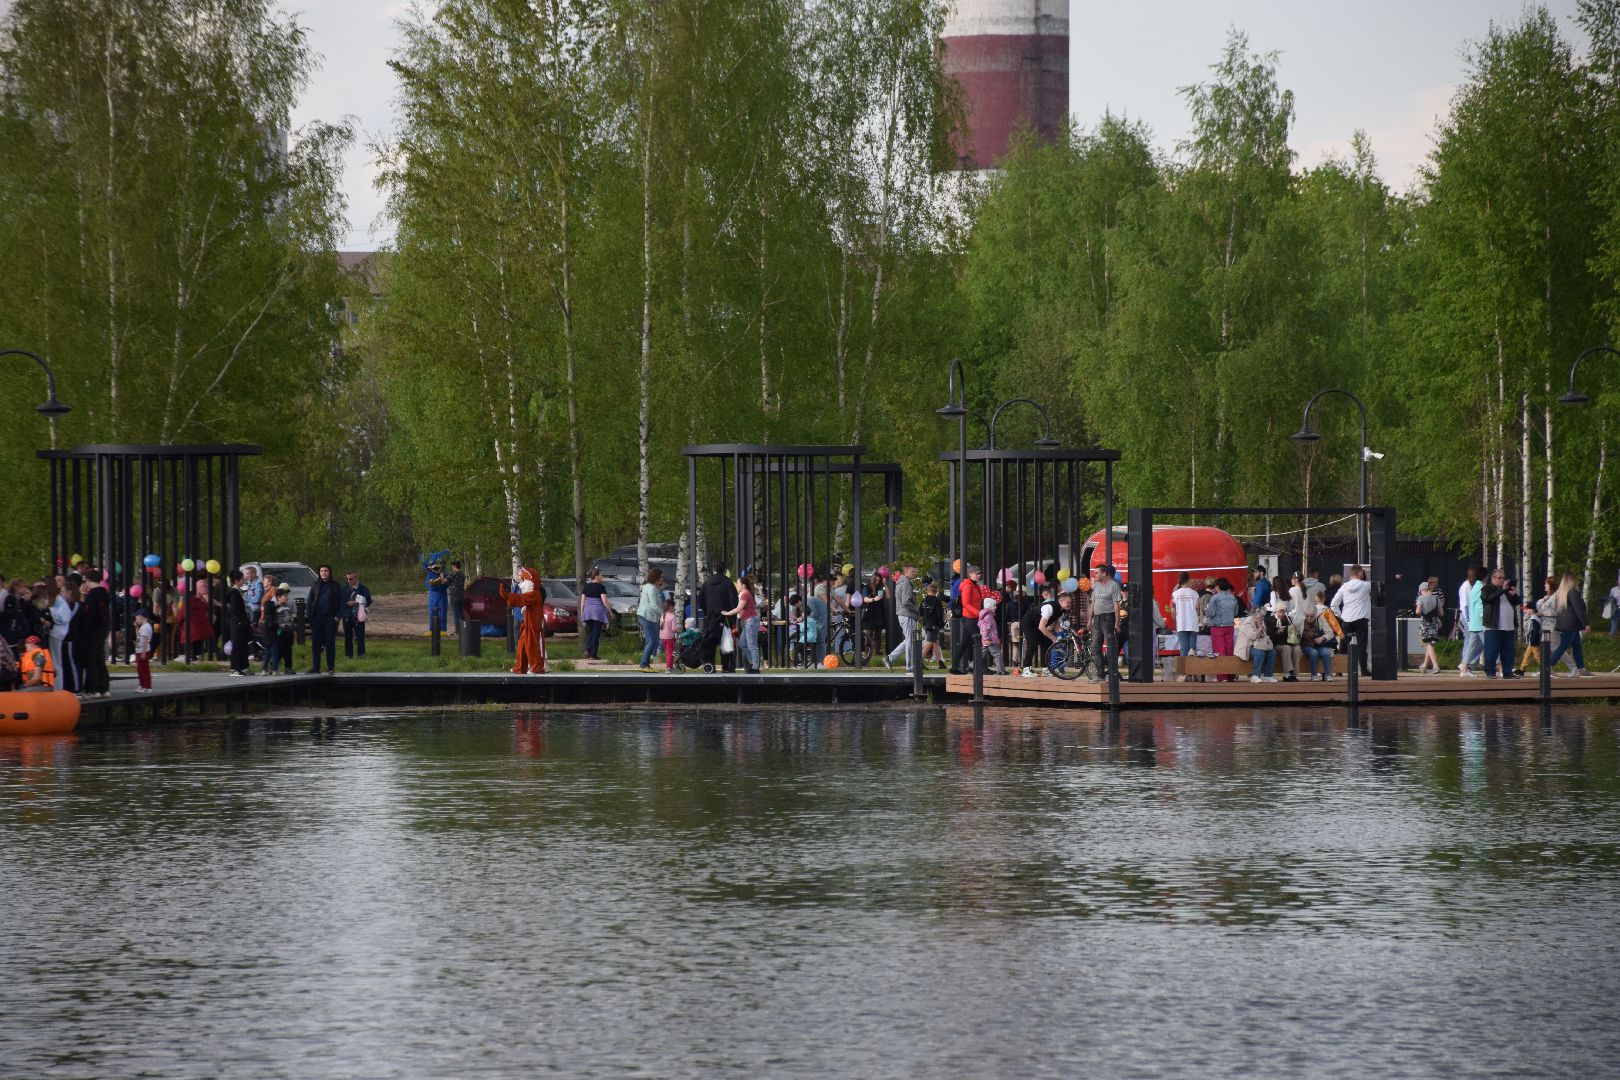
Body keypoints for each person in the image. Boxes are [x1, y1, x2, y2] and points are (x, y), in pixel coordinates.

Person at [500, 567, 547, 674]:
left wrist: (506, 595)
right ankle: (521, 667)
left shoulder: (534, 594)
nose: (521, 585)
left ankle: (537, 667)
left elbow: (520, 599)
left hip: (533, 624)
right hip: (528, 623)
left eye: (524, 581)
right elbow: (522, 599)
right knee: (522, 645)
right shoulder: (533, 593)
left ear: (531, 581)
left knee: (532, 646)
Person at [1545, 570, 1593, 677]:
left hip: (1566, 624)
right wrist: (1585, 624)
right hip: (1572, 624)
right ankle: (1547, 666)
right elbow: (1578, 609)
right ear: (1572, 580)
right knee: (1563, 646)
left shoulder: (1562, 593)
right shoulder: (1573, 592)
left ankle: (1581, 668)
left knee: (1576, 646)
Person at [950, 565, 995, 674]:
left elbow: (978, 602)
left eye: (980, 573)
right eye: (976, 573)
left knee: (965, 643)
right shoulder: (967, 586)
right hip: (969, 618)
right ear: (970, 574)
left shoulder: (976, 586)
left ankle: (955, 668)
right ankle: (981, 667)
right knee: (979, 641)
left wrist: (983, 612)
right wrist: (979, 613)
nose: (979, 575)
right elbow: (966, 603)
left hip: (974, 618)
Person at [1329, 565, 1373, 677]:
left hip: (1346, 619)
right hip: (1361, 619)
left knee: (1343, 646)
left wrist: (1340, 616)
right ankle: (1364, 670)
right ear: (1360, 573)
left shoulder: (1344, 587)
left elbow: (1333, 604)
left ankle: (1339, 670)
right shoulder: (1366, 585)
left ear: (1351, 574)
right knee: (1362, 646)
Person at [1477, 568, 1519, 679]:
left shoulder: (1506, 591)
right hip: (1493, 626)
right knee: (1491, 651)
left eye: (1503, 578)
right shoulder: (1487, 589)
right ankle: (1490, 672)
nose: (1502, 580)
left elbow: (1517, 602)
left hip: (1508, 627)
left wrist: (1513, 594)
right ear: (1493, 578)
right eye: (1499, 578)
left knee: (1508, 651)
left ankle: (1508, 672)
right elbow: (1488, 598)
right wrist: (1502, 590)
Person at [1086, 565, 1122, 683]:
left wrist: (1117, 623)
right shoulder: (1096, 585)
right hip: (1097, 618)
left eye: (1097, 573)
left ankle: (1113, 674)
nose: (1094, 575)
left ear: (1104, 573)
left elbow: (1116, 605)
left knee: (1110, 647)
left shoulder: (1113, 585)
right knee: (1095, 648)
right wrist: (1089, 619)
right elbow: (1093, 603)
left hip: (1108, 618)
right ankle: (1100, 675)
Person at [78, 569, 111, 697]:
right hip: (103, 627)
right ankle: (104, 687)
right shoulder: (104, 593)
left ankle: (93, 688)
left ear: (88, 580)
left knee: (91, 658)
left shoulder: (92, 595)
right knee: (100, 657)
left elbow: (89, 613)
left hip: (93, 629)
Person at [700, 564, 739, 671]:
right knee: (726, 641)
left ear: (715, 570)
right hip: (725, 617)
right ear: (725, 570)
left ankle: (709, 666)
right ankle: (727, 666)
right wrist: (732, 616)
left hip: (710, 618)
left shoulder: (707, 583)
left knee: (710, 642)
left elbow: (701, 600)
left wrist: (707, 612)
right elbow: (733, 600)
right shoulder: (728, 582)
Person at [305, 564, 343, 674]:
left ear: (329, 572)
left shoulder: (336, 586)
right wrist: (310, 616)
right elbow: (309, 601)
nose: (323, 573)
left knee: (330, 644)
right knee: (316, 644)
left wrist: (338, 616)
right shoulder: (315, 585)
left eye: (326, 571)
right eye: (321, 571)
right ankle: (315, 667)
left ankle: (330, 667)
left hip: (330, 618)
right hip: (317, 618)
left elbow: (342, 602)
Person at [723, 574, 762, 674]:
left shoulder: (745, 594)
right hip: (747, 622)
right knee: (742, 643)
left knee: (752, 645)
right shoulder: (743, 594)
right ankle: (753, 662)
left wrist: (727, 613)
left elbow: (739, 608)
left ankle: (755, 666)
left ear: (743, 585)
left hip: (750, 621)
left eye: (738, 584)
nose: (737, 585)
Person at [1204, 577, 1240, 682]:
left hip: (1217, 626)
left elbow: (1211, 613)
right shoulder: (1233, 597)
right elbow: (1235, 612)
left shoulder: (1215, 598)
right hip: (1230, 626)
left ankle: (1222, 676)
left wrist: (1206, 610)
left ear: (1218, 587)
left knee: (1219, 651)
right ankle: (1230, 675)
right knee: (1229, 650)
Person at [1171, 572, 1200, 682]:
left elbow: (1173, 611)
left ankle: (1183, 674)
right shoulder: (1195, 594)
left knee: (1183, 649)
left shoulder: (1175, 594)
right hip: (1193, 624)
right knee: (1192, 649)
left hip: (1181, 624)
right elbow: (1197, 609)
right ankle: (1193, 673)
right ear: (1189, 580)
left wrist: (1176, 622)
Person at [1236, 605, 1276, 683]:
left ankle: (1268, 676)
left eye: (1263, 616)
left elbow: (1264, 636)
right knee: (1259, 653)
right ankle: (1255, 676)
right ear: (1254, 615)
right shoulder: (1247, 622)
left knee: (1272, 653)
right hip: (1246, 646)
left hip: (1259, 645)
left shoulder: (1260, 621)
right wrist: (1260, 628)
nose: (1262, 618)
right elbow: (1252, 636)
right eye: (1260, 616)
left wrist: (1261, 627)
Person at [580, 567, 611, 663]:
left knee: (590, 632)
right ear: (596, 576)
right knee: (596, 633)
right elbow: (604, 601)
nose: (602, 577)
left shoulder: (586, 586)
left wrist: (582, 612)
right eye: (601, 575)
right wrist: (609, 611)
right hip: (598, 613)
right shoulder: (601, 587)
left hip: (588, 612)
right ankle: (593, 654)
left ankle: (587, 650)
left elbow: (582, 601)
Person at [636, 567, 665, 671]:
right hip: (647, 617)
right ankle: (643, 665)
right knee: (651, 641)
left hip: (650, 617)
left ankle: (646, 664)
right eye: (661, 577)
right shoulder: (651, 588)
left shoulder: (651, 587)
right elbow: (653, 605)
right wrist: (663, 614)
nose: (662, 579)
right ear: (656, 577)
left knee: (653, 640)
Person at [223, 570, 251, 676]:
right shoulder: (234, 593)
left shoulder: (237, 592)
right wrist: (240, 621)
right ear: (236, 580)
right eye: (242, 579)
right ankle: (235, 668)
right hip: (237, 623)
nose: (243, 581)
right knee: (237, 645)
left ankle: (243, 666)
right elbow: (234, 609)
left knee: (242, 645)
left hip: (240, 622)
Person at [1300, 601, 1337, 680]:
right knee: (1314, 653)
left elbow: (1330, 633)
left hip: (1319, 645)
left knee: (1326, 652)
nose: (1309, 618)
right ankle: (1314, 675)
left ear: (1316, 614)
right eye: (1307, 616)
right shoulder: (1301, 621)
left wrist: (1322, 638)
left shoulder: (1321, 620)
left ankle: (1328, 675)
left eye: (1311, 616)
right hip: (1306, 645)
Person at [1458, 566, 1484, 675]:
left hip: (1472, 617)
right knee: (1470, 642)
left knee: (1475, 643)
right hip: (1468, 617)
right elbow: (1465, 606)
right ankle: (1466, 665)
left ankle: (1467, 664)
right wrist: (1468, 621)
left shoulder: (1473, 586)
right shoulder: (1465, 587)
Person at [1416, 580, 1445, 673]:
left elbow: (1418, 611)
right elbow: (1441, 613)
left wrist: (1423, 612)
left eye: (1420, 591)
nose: (1420, 593)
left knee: (1428, 644)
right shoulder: (1436, 598)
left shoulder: (1421, 598)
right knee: (1430, 644)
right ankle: (1424, 666)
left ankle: (1435, 666)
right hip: (1435, 623)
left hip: (1425, 623)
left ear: (1423, 590)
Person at [342, 571, 373, 658]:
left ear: (356, 578)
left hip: (358, 615)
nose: (348, 581)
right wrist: (346, 603)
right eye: (347, 579)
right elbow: (340, 601)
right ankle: (348, 655)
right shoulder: (344, 588)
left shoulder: (363, 588)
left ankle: (361, 654)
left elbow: (368, 601)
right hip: (347, 615)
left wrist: (357, 602)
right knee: (347, 636)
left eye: (350, 579)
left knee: (360, 635)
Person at [919, 580, 945, 669]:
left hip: (926, 624)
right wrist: (941, 624)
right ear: (936, 591)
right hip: (934, 625)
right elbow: (939, 614)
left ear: (927, 591)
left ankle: (940, 662)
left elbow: (920, 613)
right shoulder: (937, 601)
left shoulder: (923, 601)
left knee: (935, 643)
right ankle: (918, 661)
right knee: (930, 642)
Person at [977, 595, 1005, 674]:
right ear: (989, 606)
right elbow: (986, 629)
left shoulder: (984, 615)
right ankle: (1000, 670)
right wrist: (987, 638)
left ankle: (972, 666)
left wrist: (985, 638)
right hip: (990, 639)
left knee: (982, 654)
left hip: (986, 638)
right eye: (994, 606)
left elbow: (980, 626)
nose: (996, 607)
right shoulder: (989, 616)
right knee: (997, 654)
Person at [273, 583, 296, 673]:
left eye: (287, 595)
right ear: (278, 597)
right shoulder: (274, 606)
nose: (286, 597)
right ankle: (273, 666)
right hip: (279, 631)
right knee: (279, 649)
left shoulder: (289, 605)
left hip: (288, 630)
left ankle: (288, 667)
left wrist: (293, 629)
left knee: (288, 649)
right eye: (284, 596)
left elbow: (292, 617)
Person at [424, 557, 449, 633]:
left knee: (442, 612)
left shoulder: (444, 573)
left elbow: (446, 585)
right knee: (432, 612)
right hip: (433, 595)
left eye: (433, 565)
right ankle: (432, 630)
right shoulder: (429, 575)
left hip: (442, 595)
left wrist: (441, 581)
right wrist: (433, 584)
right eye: (430, 565)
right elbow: (427, 585)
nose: (432, 567)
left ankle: (443, 630)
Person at [132, 610, 154, 691]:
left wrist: (143, 652)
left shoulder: (145, 627)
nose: (136, 620)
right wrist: (136, 627)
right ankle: (141, 684)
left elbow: (145, 640)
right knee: (140, 669)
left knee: (144, 669)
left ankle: (146, 686)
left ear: (141, 617)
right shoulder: (143, 627)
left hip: (142, 651)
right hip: (139, 650)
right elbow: (139, 636)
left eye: (136, 618)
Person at [446, 560, 467, 637]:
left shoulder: (453, 574)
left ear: (455, 566)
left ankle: (457, 631)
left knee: (455, 614)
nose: (452, 568)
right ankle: (463, 630)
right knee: (461, 614)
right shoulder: (462, 574)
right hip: (461, 596)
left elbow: (444, 581)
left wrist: (441, 576)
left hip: (454, 596)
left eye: (452, 566)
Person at [659, 597, 679, 671]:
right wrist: (678, 630)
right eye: (673, 607)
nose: (674, 608)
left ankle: (670, 666)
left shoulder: (663, 615)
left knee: (667, 653)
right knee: (670, 653)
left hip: (662, 637)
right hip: (669, 637)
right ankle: (669, 667)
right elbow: (674, 629)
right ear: (670, 607)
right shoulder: (672, 616)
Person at [243, 565, 264, 633]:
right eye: (245, 574)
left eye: (247, 574)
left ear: (253, 574)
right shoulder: (249, 583)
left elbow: (258, 598)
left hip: (254, 609)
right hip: (249, 608)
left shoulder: (258, 583)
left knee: (253, 628)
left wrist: (247, 599)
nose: (245, 576)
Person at [1607, 571, 1620, 635]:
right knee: (1614, 623)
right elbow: (1610, 598)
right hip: (1615, 608)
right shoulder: (1613, 589)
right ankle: (1611, 635)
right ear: (1617, 581)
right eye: (1619, 581)